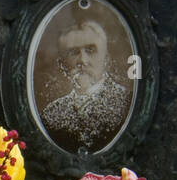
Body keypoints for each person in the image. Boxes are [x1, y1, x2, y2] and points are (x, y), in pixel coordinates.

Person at [40, 18, 131, 153]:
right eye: (74, 52)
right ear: (62, 64)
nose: (82, 60)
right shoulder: (51, 115)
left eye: (90, 50)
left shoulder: (126, 103)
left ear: (106, 59)